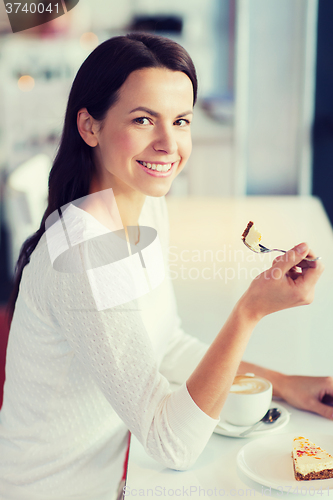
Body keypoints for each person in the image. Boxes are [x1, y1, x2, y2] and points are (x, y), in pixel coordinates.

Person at [0, 33, 331, 500]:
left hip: (124, 469)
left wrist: (285, 385)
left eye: (180, 121)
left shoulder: (144, 207)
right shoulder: (83, 256)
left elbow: (167, 345)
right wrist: (250, 311)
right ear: (89, 127)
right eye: (142, 119)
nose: (168, 143)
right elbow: (174, 445)